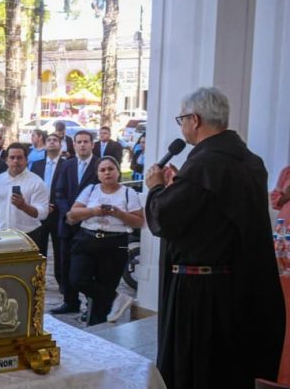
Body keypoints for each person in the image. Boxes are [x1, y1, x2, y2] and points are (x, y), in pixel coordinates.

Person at [145, 87, 284, 388]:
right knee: (226, 369)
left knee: (196, 370)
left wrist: (157, 187)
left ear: (194, 120)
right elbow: (210, 215)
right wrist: (179, 184)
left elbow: (164, 219)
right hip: (235, 285)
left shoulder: (205, 164)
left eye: (181, 119)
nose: (181, 126)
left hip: (199, 293)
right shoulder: (249, 161)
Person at [66, 156, 143, 325]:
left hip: (114, 244)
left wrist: (119, 214)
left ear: (118, 171)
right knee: (78, 279)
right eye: (102, 170)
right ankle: (117, 298)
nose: (107, 172)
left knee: (104, 289)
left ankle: (96, 330)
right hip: (87, 240)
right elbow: (73, 213)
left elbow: (139, 221)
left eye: (110, 169)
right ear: (98, 174)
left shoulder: (128, 193)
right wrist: (93, 211)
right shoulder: (91, 189)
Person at [51, 131, 99, 315]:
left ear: (92, 144)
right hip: (68, 224)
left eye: (86, 142)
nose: (82, 145)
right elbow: (59, 192)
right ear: (74, 144)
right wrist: (69, 213)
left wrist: (81, 214)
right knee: (66, 264)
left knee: (89, 267)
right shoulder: (67, 165)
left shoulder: (99, 165)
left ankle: (92, 305)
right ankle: (70, 301)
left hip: (90, 225)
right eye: (79, 142)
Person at [0, 143, 49, 241]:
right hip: (1, 235)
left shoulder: (36, 182)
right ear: (6, 160)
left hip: (28, 236)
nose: (15, 161)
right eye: (12, 157)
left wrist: (23, 206)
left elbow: (43, 214)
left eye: (19, 157)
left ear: (26, 160)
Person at [30, 134, 66, 264]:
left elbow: (65, 189)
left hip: (57, 214)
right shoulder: (36, 165)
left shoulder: (66, 165)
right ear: (45, 145)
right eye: (49, 140)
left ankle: (61, 281)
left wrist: (54, 205)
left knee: (59, 252)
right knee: (39, 251)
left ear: (60, 145)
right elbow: (32, 187)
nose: (52, 142)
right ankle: (38, 281)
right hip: (39, 214)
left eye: (55, 140)